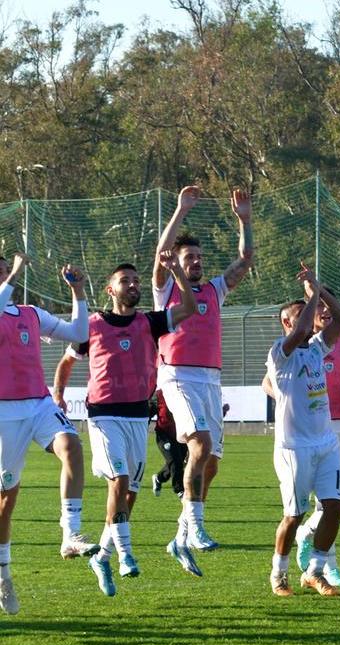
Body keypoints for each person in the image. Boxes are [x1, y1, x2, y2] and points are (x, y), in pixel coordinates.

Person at [53, 255, 196, 594]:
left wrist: (176, 273)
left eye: (136, 280)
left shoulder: (150, 322)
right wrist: (58, 394)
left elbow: (189, 307)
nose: (133, 285)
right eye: (125, 281)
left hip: (137, 417)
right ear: (110, 289)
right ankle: (125, 554)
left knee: (128, 494)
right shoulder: (91, 325)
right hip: (104, 416)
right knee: (118, 481)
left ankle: (101, 556)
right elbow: (66, 362)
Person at [153, 185, 253, 566]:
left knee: (211, 461)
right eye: (189, 257)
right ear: (176, 262)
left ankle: (181, 534)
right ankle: (195, 524)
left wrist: (244, 219)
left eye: (198, 257)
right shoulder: (165, 292)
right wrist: (180, 210)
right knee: (199, 445)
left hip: (210, 379)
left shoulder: (213, 290)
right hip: (177, 375)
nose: (195, 261)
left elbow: (244, 260)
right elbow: (160, 255)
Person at [0, 252, 94, 614]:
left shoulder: (30, 314)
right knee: (6, 503)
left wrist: (79, 292)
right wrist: (17, 273)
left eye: (4, 269)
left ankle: (70, 534)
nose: (5, 275)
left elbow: (79, 334)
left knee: (71, 444)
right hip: (4, 415)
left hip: (39, 404)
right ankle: (4, 574)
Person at [263, 265, 340, 597]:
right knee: (294, 515)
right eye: (300, 314)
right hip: (294, 448)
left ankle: (314, 572)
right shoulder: (279, 354)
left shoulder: (316, 348)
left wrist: (319, 290)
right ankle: (279, 574)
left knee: (335, 506)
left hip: (326, 443)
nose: (312, 315)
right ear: (286, 323)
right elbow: (302, 329)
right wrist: (312, 297)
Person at [291, 290, 340, 588]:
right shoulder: (302, 344)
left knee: (337, 499)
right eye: (318, 305)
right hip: (311, 431)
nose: (324, 310)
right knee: (325, 500)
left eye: (328, 305)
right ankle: (327, 566)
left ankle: (305, 534)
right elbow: (269, 382)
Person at [152, 389, 187, 496]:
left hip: (181, 433)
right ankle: (180, 490)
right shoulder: (159, 394)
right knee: (175, 462)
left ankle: (158, 478)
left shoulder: (184, 392)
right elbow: (149, 409)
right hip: (164, 434)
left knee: (179, 462)